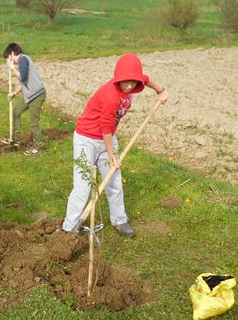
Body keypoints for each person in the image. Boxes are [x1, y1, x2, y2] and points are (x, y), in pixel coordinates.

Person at [61, 53, 168, 237]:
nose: (129, 85)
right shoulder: (110, 95)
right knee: (82, 186)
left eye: (133, 82)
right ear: (118, 77)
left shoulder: (134, 79)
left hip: (107, 138)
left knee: (114, 182)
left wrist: (160, 90)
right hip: (87, 139)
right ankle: (70, 227)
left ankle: (119, 220)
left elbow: (146, 78)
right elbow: (106, 128)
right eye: (125, 82)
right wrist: (111, 155)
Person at [0, 43, 46, 155]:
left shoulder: (23, 60)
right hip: (29, 95)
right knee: (16, 112)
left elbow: (23, 77)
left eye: (8, 58)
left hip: (37, 95)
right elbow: (22, 83)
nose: (10, 60)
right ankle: (16, 139)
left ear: (12, 53)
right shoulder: (21, 63)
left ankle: (38, 146)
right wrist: (14, 93)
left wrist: (12, 68)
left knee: (33, 121)